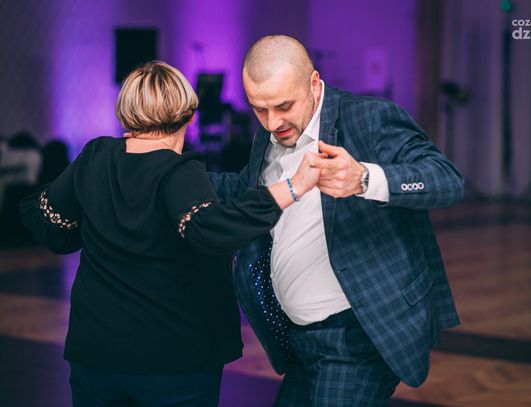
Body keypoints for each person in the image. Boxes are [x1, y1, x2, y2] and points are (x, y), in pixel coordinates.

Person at [19, 61, 321, 407]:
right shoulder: (179, 171)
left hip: (95, 354)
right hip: (173, 363)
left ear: (126, 114)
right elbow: (212, 230)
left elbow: (47, 221)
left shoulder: (95, 156)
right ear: (189, 117)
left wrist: (94, 223)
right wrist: (294, 186)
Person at [209, 35, 465, 406]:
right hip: (300, 340)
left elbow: (447, 179)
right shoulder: (271, 134)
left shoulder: (370, 118)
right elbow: (247, 186)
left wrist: (365, 178)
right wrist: (172, 174)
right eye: (259, 109)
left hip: (358, 337)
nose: (272, 122)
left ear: (314, 84)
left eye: (283, 106)